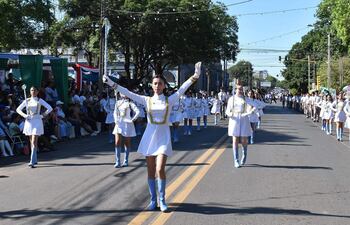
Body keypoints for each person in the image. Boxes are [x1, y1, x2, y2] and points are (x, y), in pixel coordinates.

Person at [103, 62, 202, 212]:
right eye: (155, 83)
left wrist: (195, 76)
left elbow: (182, 88)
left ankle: (162, 200)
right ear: (152, 85)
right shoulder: (146, 100)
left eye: (160, 83)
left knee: (160, 168)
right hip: (150, 137)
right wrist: (111, 83)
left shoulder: (170, 99)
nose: (157, 86)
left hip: (163, 138)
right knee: (150, 171)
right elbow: (128, 93)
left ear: (164, 86)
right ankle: (153, 200)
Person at [16, 86, 53, 168]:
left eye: (34, 90)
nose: (33, 91)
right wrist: (25, 115)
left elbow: (50, 108)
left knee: (33, 141)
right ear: (30, 91)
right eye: (31, 90)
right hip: (29, 122)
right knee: (31, 142)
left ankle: (32, 161)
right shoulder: (27, 100)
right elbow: (18, 109)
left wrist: (42, 115)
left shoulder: (40, 100)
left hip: (37, 121)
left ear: (37, 91)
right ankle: (35, 159)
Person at [225, 82, 256, 168]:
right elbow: (227, 110)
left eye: (241, 89)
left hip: (244, 119)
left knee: (244, 140)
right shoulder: (231, 99)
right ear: (235, 90)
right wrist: (230, 114)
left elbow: (254, 105)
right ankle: (236, 160)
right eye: (238, 89)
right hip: (234, 119)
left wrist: (251, 111)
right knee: (235, 140)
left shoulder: (246, 99)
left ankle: (244, 154)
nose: (240, 90)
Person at [113, 93, 140, 168]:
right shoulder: (117, 102)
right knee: (117, 142)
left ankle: (126, 160)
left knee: (126, 143)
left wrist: (132, 119)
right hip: (119, 123)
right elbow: (115, 112)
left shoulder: (130, 103)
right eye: (121, 93)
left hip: (127, 124)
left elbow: (138, 112)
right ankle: (117, 161)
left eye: (124, 93)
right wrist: (115, 120)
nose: (123, 94)